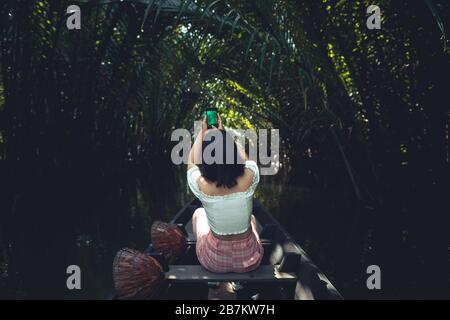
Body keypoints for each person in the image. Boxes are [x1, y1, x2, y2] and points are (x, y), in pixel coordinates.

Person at [187, 114, 263, 273]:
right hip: (250, 260)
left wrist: (202, 133)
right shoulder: (250, 177)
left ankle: (216, 286)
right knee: (253, 218)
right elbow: (247, 160)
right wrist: (224, 135)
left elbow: (191, 163)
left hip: (214, 262)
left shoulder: (202, 185)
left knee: (199, 213)